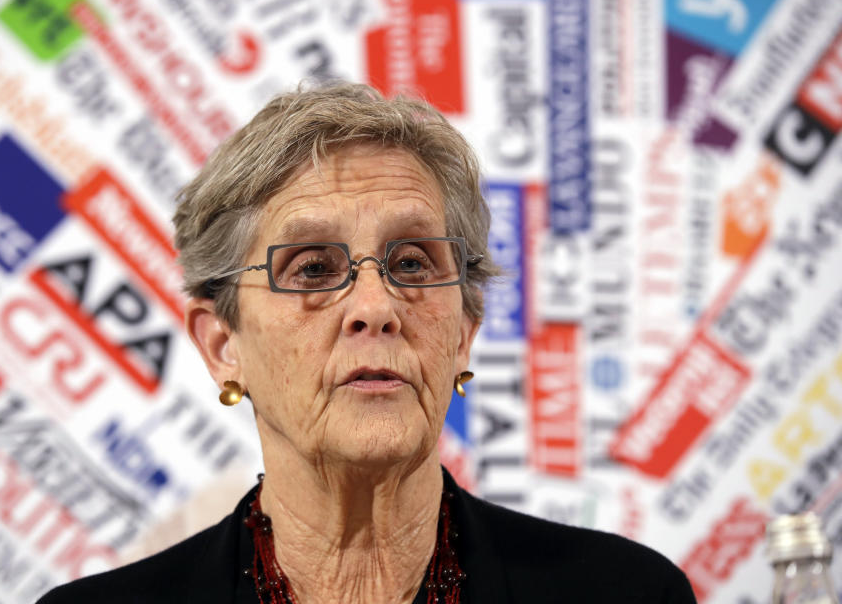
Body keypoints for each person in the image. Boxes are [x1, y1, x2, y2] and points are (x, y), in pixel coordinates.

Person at [38, 82, 695, 603]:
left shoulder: (630, 592)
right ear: (222, 346)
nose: (375, 308)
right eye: (314, 270)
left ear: (464, 332)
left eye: (411, 263)